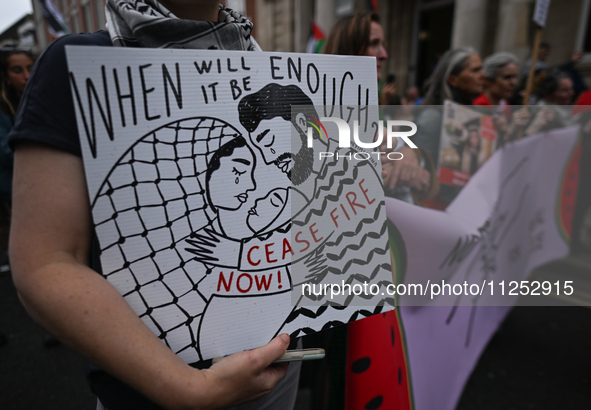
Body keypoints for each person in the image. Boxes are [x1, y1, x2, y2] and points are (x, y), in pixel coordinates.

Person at [8, 1, 298, 409]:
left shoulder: (269, 67)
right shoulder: (78, 64)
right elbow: (44, 264)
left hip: (281, 366)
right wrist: (190, 390)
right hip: (149, 396)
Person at [414, 47, 485, 208]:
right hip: (438, 210)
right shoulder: (433, 118)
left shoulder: (479, 117)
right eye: (475, 70)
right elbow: (423, 176)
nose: (483, 76)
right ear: (453, 79)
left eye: (482, 70)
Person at [0, 46, 34, 270]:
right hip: (10, 188)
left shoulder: (36, 97)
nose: (26, 76)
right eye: (17, 70)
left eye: (30, 68)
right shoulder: (3, 109)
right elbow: (5, 150)